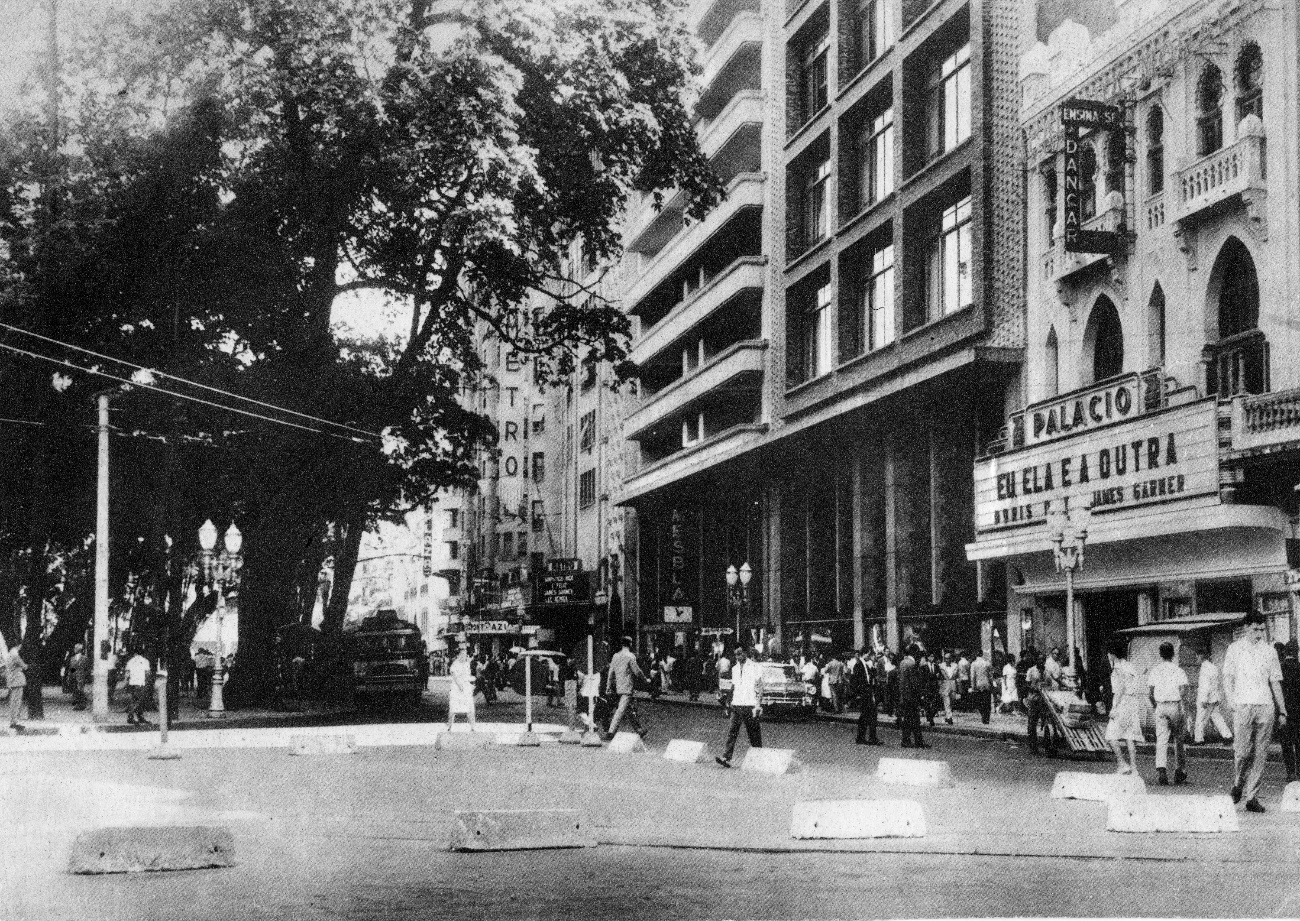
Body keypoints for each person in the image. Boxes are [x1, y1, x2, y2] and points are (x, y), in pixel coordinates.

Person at [1222, 614, 1287, 813]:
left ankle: (1252, 796)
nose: (1259, 634)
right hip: (1242, 705)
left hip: (1265, 705)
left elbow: (1275, 682)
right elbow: (1227, 677)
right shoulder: (1235, 649)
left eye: (1261, 630)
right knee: (1242, 752)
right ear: (1246, 628)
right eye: (1255, 630)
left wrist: (1282, 710)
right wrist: (1232, 701)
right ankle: (1238, 783)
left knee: (1261, 753)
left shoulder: (1269, 652)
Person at [1146, 641, 1190, 786]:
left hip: (1160, 706)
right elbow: (1183, 691)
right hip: (1175, 705)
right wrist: (1178, 701)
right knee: (1178, 739)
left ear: (1160, 654)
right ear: (1173, 654)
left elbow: (1150, 693)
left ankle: (1161, 769)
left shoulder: (1155, 671)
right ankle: (1180, 770)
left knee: (1161, 738)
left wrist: (1156, 706)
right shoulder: (1178, 670)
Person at [716, 646, 765, 767]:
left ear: (745, 653)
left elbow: (759, 687)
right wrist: (728, 701)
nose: (737, 657)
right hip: (737, 704)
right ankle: (726, 757)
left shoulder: (755, 667)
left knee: (754, 733)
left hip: (750, 704)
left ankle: (758, 758)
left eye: (739, 654)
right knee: (732, 732)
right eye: (736, 654)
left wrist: (758, 705)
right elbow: (734, 686)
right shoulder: (734, 668)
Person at [1104, 638, 1142, 775]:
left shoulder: (1118, 668)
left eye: (1109, 653)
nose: (1108, 655)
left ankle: (1122, 764)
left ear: (1113, 653)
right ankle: (1134, 768)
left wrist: (1114, 708)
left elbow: (1120, 689)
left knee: (1110, 735)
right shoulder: (1130, 666)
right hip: (1133, 703)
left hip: (1123, 702)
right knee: (1129, 736)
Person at [606, 636, 647, 739]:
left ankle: (639, 730)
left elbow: (610, 673)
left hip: (618, 686)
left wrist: (608, 686)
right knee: (621, 709)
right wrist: (645, 680)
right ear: (630, 644)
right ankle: (611, 731)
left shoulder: (615, 656)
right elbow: (637, 671)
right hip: (627, 687)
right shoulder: (630, 656)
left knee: (629, 709)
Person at [1193, 649, 1231, 744]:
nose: (1196, 658)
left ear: (1201, 656)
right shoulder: (1213, 667)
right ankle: (1227, 736)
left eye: (1197, 656)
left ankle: (1199, 739)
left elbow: (1205, 685)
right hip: (1214, 697)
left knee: (1200, 718)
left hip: (1206, 699)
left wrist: (1203, 699)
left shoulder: (1205, 668)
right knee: (1217, 717)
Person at [1025, 653, 1058, 757]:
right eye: (1040, 660)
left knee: (1047, 724)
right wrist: (1034, 688)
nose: (1042, 662)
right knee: (1032, 724)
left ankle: (1047, 746)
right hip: (1034, 700)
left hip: (1044, 701)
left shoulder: (1047, 672)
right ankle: (1033, 747)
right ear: (1036, 660)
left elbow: (1050, 684)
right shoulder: (1031, 671)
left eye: (1043, 660)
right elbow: (1027, 684)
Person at [1277, 641, 1300, 783]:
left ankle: (1291, 773)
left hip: (1284, 713)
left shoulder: (1279, 669)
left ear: (1285, 652)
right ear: (1297, 652)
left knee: (1286, 744)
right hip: (1299, 713)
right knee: (1299, 743)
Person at [896, 645, 927, 748]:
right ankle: (908, 741)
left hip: (905, 695)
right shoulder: (912, 664)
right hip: (911, 696)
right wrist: (920, 695)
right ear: (915, 652)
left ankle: (917, 741)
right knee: (911, 719)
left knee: (912, 719)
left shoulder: (903, 662)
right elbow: (914, 683)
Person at [850, 648, 881, 746]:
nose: (869, 656)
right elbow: (855, 681)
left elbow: (870, 678)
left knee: (869, 715)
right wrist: (858, 694)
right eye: (868, 654)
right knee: (867, 716)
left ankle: (868, 737)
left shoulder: (866, 665)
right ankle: (865, 737)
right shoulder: (858, 665)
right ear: (863, 654)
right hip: (864, 694)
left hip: (868, 693)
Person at [446, 646, 476, 732]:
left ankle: (473, 726)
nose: (464, 656)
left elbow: (468, 676)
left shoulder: (467, 664)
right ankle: (449, 726)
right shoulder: (455, 664)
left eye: (465, 655)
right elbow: (454, 675)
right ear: (458, 655)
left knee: (470, 707)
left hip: (466, 687)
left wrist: (471, 684)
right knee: (453, 708)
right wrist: (459, 685)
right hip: (456, 687)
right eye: (462, 654)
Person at [124, 647, 153, 726]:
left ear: (135, 653)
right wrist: (147, 682)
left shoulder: (130, 661)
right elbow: (147, 673)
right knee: (139, 701)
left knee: (133, 700)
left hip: (131, 683)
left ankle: (140, 717)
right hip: (140, 683)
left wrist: (126, 682)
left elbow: (127, 673)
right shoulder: (145, 661)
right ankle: (130, 717)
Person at [5, 642, 27, 730]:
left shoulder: (9, 655)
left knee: (13, 701)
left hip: (12, 681)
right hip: (17, 680)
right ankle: (14, 722)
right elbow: (24, 666)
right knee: (16, 702)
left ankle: (13, 721)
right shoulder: (15, 655)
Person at [969, 649, 993, 725]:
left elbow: (972, 676)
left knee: (979, 701)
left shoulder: (974, 664)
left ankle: (983, 715)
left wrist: (973, 686)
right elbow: (990, 676)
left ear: (976, 654)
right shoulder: (987, 663)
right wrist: (991, 684)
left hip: (978, 685)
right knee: (987, 701)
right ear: (982, 654)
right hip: (987, 684)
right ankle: (987, 718)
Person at [938, 651, 959, 725]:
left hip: (953, 684)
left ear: (951, 659)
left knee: (952, 701)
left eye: (948, 658)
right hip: (945, 684)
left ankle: (948, 716)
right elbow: (944, 674)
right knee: (947, 701)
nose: (947, 660)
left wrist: (951, 679)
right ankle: (949, 717)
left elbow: (955, 674)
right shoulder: (941, 665)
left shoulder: (955, 665)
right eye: (946, 658)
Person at [67, 643, 89, 711]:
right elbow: (72, 668)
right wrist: (70, 675)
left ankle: (81, 704)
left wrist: (85, 675)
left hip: (81, 677)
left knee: (80, 690)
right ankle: (78, 704)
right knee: (75, 690)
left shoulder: (84, 658)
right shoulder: (72, 658)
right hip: (74, 676)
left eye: (76, 648)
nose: (74, 649)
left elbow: (86, 668)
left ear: (79, 649)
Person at [715, 649, 733, 715]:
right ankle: (727, 706)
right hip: (727, 678)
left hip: (721, 676)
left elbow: (717, 667)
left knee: (721, 692)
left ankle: (726, 707)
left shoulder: (719, 661)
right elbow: (729, 668)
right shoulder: (728, 661)